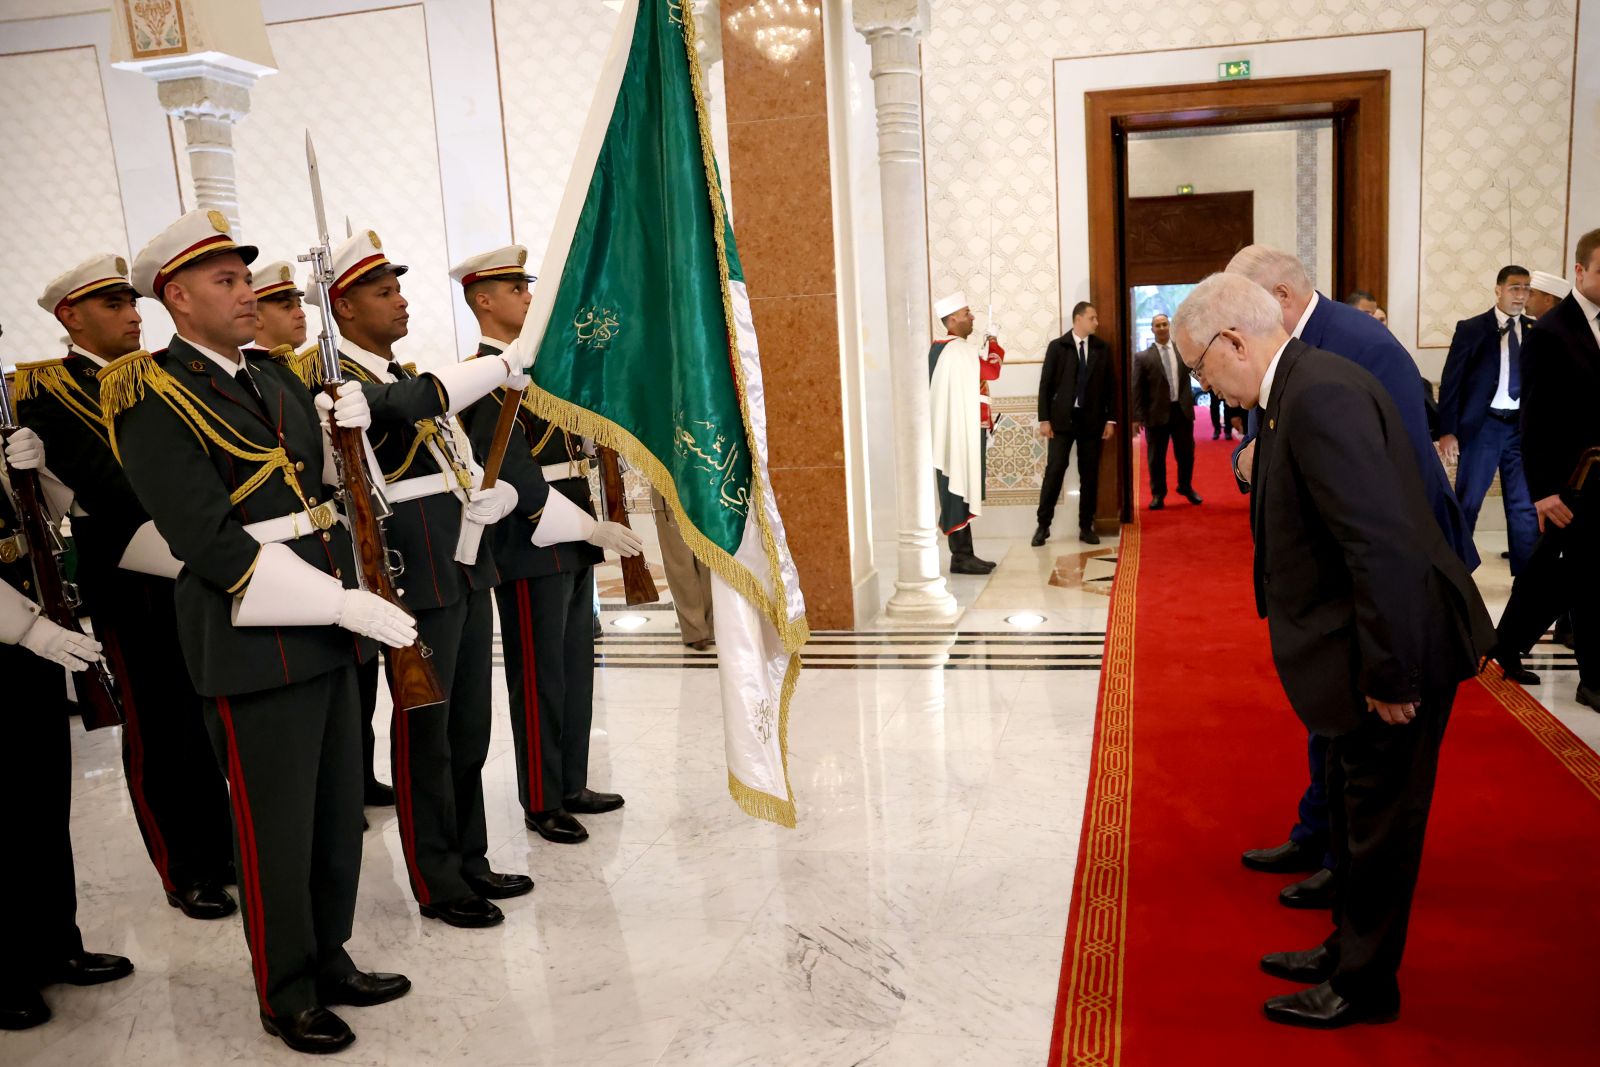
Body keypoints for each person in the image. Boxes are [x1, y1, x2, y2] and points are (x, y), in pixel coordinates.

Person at [105, 209, 413, 1053]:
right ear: (177, 296)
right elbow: (207, 541)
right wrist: (338, 603)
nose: (248, 293)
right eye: (227, 281)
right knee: (276, 827)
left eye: (246, 278)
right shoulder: (150, 394)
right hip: (255, 634)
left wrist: (351, 428)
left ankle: (330, 954)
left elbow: (326, 491)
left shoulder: (274, 377)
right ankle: (288, 989)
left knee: (336, 813)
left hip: (330, 620)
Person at [1173, 272, 1494, 1029]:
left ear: (1233, 342)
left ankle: (1364, 986)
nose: (1203, 384)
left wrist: (1390, 672)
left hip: (1394, 650)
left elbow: (1378, 543)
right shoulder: (1301, 383)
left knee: (1380, 828)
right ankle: (1343, 949)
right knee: (1354, 817)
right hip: (1358, 644)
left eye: (1199, 366)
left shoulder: (1317, 394)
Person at [1226, 244, 1475, 911]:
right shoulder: (1281, 347)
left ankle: (1348, 870)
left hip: (1386, 572)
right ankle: (1320, 837)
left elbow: (1392, 487)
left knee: (1366, 738)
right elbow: (1265, 443)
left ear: (1279, 297)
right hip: (1331, 571)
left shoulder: (1360, 345)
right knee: (1331, 717)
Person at [303, 229, 532, 924]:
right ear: (343, 307)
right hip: (411, 571)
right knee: (426, 733)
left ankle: (471, 856)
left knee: (469, 727)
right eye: (383, 292)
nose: (401, 301)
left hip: (460, 560)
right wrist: (502, 365)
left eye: (399, 288)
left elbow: (448, 448)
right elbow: (405, 410)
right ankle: (438, 879)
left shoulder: (396, 371)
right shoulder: (334, 382)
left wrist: (494, 495)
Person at [18, 254, 235, 921]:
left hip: (191, 566)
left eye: (133, 302)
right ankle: (183, 865)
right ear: (71, 316)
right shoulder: (46, 393)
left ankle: (221, 845)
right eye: (113, 304)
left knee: (205, 718)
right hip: (130, 579)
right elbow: (107, 485)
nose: (134, 314)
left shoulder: (158, 377)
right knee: (157, 727)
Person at [451, 245, 641, 845]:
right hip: (530, 540)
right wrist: (586, 527)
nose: (529, 297)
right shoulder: (482, 377)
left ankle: (570, 782)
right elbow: (511, 468)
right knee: (539, 677)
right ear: (484, 301)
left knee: (575, 669)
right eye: (516, 290)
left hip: (573, 531)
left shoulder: (540, 370)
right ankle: (540, 796)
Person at [0, 427, 135, 1032]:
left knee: (42, 800)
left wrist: (32, 472)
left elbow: (49, 518)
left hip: (29, 630)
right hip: (17, 626)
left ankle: (56, 943)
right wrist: (25, 627)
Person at [1517, 228, 1600, 710]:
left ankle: (1507, 642)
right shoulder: (1551, 331)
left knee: (1563, 574)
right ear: (1580, 271)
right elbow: (1535, 419)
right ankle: (1594, 679)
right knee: (1585, 579)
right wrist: (1543, 490)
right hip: (1574, 482)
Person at [1437, 266, 1538, 574]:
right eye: (1514, 288)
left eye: (1526, 288)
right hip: (1483, 427)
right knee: (1468, 501)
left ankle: (1526, 581)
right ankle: (1457, 572)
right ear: (1498, 290)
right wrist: (1447, 431)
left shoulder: (1535, 330)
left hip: (1519, 428)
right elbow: (1451, 382)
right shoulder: (1472, 328)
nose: (1521, 295)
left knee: (1523, 507)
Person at [930, 292, 1004, 570]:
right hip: (961, 432)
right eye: (966, 313)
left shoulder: (947, 350)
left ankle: (964, 554)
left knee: (959, 486)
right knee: (958, 486)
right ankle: (961, 556)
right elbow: (992, 372)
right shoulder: (956, 350)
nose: (972, 317)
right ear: (952, 320)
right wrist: (993, 342)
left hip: (958, 429)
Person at [1035, 300, 1114, 546]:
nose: (1096, 322)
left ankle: (1086, 526)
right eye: (1092, 318)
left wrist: (1110, 419)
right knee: (1054, 471)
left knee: (1089, 475)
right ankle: (1043, 525)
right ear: (1078, 319)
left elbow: (1110, 386)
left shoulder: (1102, 348)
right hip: (1061, 422)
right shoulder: (1058, 347)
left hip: (1091, 422)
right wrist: (1044, 419)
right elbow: (1046, 384)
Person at [1130, 312, 1201, 509]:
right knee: (1156, 458)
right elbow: (1137, 389)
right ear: (1152, 329)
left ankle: (1185, 487)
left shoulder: (1182, 351)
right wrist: (1136, 417)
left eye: (1164, 324)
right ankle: (1158, 494)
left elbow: (1197, 372)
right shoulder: (1143, 357)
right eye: (1158, 325)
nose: (1161, 328)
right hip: (1155, 413)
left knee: (1186, 454)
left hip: (1182, 411)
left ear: (1169, 327)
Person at [653, 487, 714, 649]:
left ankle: (701, 628)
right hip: (682, 490)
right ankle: (700, 628)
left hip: (697, 489)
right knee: (687, 563)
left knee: (701, 563)